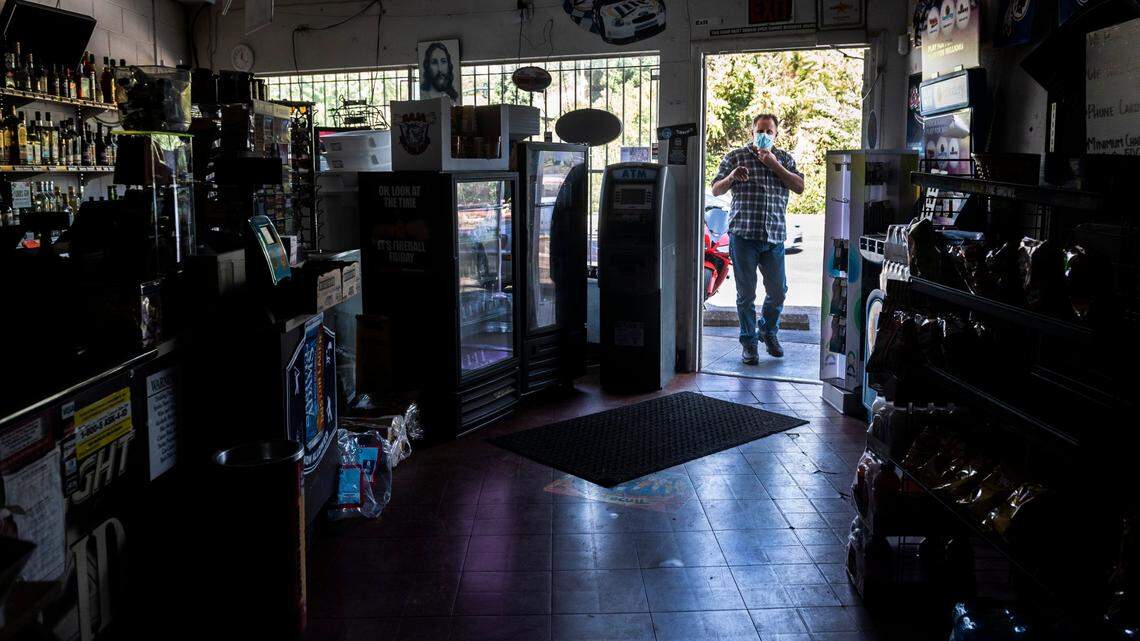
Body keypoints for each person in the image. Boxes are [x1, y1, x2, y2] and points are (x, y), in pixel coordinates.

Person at [710, 113, 804, 364]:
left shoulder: (783, 158)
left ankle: (768, 330)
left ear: (776, 134)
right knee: (746, 294)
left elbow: (799, 186)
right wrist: (731, 177)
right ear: (752, 132)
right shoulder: (735, 157)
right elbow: (716, 188)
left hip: (773, 236)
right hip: (743, 235)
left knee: (778, 291)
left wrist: (774, 165)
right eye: (760, 131)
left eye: (769, 131)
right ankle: (749, 343)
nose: (764, 135)